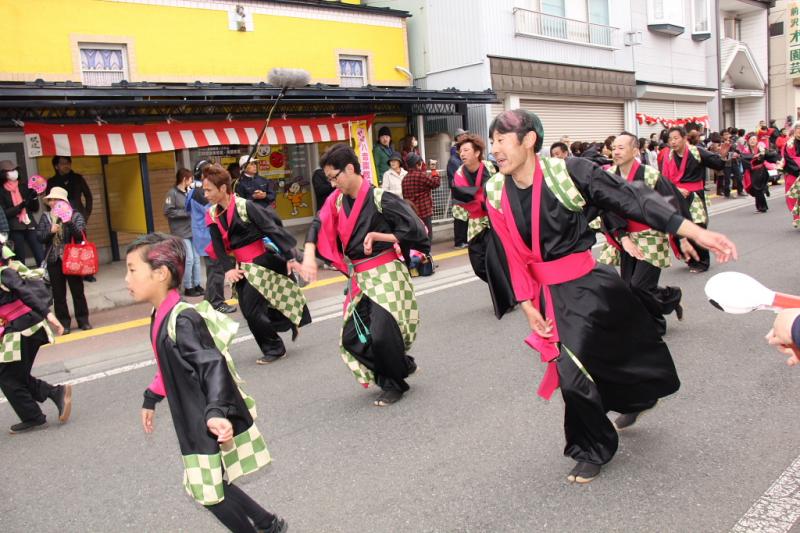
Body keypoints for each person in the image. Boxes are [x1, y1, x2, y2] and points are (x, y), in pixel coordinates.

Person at [483, 109, 737, 483]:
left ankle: (599, 440)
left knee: (588, 367)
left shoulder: (569, 172)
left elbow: (632, 199)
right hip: (547, 294)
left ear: (529, 140)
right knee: (577, 371)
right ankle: (603, 433)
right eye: (492, 141)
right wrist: (525, 304)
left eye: (501, 140)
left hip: (588, 285)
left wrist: (694, 232)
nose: (495, 149)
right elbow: (511, 253)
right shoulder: (495, 190)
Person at [128, 233, 286, 533]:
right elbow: (168, 364)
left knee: (206, 490)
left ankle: (263, 526)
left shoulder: (182, 319)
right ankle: (267, 523)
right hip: (194, 414)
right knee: (212, 482)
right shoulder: (161, 314)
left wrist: (215, 412)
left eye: (133, 270)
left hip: (203, 417)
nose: (127, 278)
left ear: (160, 274)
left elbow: (212, 365)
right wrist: (151, 396)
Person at [299, 143, 428, 406]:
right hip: (360, 277)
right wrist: (309, 254)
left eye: (334, 177)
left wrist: (379, 235)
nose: (332, 184)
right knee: (351, 339)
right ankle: (400, 365)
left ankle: (394, 384)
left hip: (386, 273)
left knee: (381, 333)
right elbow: (318, 223)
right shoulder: (336, 201)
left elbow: (416, 230)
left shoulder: (381, 198)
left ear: (349, 169)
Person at [203, 164, 310, 364]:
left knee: (253, 310)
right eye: (204, 190)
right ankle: (286, 324)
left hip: (261, 262)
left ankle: (275, 348)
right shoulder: (211, 213)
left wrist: (291, 256)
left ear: (223, 188)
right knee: (250, 310)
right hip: (241, 266)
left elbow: (272, 229)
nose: (205, 194)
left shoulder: (245, 206)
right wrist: (228, 269)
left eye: (209, 190)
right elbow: (217, 244)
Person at [601, 133, 693, 336]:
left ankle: (656, 324)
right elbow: (607, 209)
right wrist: (622, 236)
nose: (616, 152)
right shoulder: (608, 177)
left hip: (651, 236)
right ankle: (670, 297)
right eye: (614, 148)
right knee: (628, 288)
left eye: (621, 148)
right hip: (626, 238)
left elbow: (672, 203)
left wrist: (683, 237)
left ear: (635, 151)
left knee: (639, 286)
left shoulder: (651, 175)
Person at [0, 243, 68, 433]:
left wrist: (49, 314)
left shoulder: (5, 273)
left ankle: (34, 416)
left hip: (24, 329)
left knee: (7, 376)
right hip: (21, 328)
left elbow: (26, 293)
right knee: (15, 374)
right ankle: (55, 393)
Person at [662, 126, 726, 273]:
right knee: (678, 229)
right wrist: (676, 189)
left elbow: (716, 163)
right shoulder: (668, 156)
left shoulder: (697, 152)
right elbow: (663, 178)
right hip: (675, 195)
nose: (673, 142)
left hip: (694, 196)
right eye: (670, 139)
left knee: (697, 228)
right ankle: (691, 259)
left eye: (676, 138)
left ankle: (702, 262)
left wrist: (722, 156)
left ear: (684, 138)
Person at [37, 187, 91, 333]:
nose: (53, 202)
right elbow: (39, 237)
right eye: (51, 200)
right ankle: (64, 323)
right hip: (54, 259)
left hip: (72, 258)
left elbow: (80, 235)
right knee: (58, 294)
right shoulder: (46, 217)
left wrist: (68, 222)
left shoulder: (75, 215)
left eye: (56, 199)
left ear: (64, 201)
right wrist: (50, 232)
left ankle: (83, 320)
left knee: (77, 291)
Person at [451, 134, 503, 287]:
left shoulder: (492, 167)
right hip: (475, 222)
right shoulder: (459, 174)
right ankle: (500, 286)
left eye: (466, 150)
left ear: (477, 152)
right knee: (478, 265)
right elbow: (460, 199)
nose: (462, 154)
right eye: (460, 151)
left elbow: (502, 189)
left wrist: (477, 197)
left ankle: (504, 290)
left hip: (496, 218)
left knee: (498, 259)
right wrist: (480, 196)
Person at [185, 167, 236, 314]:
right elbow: (215, 210)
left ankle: (209, 301)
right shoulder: (200, 193)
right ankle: (217, 302)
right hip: (209, 237)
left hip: (203, 236)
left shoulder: (195, 191)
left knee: (213, 271)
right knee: (216, 271)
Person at [164, 168, 203, 297]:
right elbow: (168, 211)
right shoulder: (172, 193)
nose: (192, 181)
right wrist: (186, 213)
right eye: (190, 179)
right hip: (180, 232)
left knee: (196, 259)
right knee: (189, 259)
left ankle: (197, 284)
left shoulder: (190, 192)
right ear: (184, 179)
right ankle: (188, 287)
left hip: (192, 230)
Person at [0, 160, 44, 266]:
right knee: (20, 258)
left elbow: (35, 208)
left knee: (40, 254)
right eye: (9, 171)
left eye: (14, 170)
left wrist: (34, 197)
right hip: (14, 228)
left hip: (30, 224)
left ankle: (45, 274)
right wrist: (19, 207)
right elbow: (4, 213)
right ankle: (21, 276)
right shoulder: (1, 191)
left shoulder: (24, 186)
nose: (13, 172)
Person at [402, 153, 440, 240]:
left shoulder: (405, 179)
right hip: (424, 211)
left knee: (417, 236)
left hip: (412, 212)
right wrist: (433, 170)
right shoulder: (422, 175)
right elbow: (436, 183)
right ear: (417, 164)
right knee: (427, 235)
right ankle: (427, 248)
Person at [47, 156, 93, 221]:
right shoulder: (51, 182)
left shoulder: (78, 178)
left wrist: (86, 213)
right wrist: (54, 217)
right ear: (56, 166)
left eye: (68, 163)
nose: (66, 165)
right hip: (60, 218)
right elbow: (49, 201)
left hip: (78, 216)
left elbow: (88, 196)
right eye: (63, 163)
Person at [741, 134, 778, 213]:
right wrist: (755, 156)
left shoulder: (760, 148)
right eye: (751, 139)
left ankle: (762, 207)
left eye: (754, 139)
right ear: (748, 141)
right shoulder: (746, 150)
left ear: (757, 141)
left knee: (758, 189)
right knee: (754, 189)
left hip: (761, 171)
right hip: (752, 172)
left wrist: (764, 153)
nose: (752, 141)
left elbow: (770, 155)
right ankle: (764, 192)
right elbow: (744, 158)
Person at [448, 128, 469, 248]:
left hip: (463, 191)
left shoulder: (456, 159)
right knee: (459, 217)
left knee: (464, 216)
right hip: (459, 192)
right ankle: (459, 241)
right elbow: (455, 177)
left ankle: (463, 240)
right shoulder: (454, 160)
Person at [780, 121, 800, 228]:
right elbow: (789, 160)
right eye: (798, 128)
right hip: (794, 174)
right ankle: (798, 219)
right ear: (794, 130)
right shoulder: (789, 144)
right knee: (794, 199)